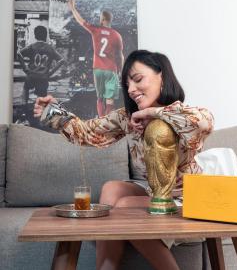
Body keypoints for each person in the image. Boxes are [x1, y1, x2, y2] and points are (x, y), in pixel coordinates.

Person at [34, 50, 214, 270]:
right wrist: (52, 111)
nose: (131, 90)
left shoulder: (182, 114)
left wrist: (153, 114)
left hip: (187, 197)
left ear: (162, 77)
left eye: (138, 80)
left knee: (125, 206)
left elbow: (205, 122)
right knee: (112, 189)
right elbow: (87, 133)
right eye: (127, 84)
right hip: (152, 193)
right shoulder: (127, 118)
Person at [68, 0, 124, 117]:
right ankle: (107, 122)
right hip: (111, 70)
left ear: (103, 19)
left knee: (99, 98)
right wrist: (120, 70)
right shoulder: (117, 35)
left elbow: (81, 21)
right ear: (110, 20)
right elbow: (120, 56)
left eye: (100, 18)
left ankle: (100, 119)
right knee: (110, 101)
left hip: (97, 69)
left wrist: (73, 9)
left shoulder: (95, 30)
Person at [18, 25, 65, 109]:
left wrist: (25, 68)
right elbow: (62, 60)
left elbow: (19, 54)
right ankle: (39, 113)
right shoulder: (50, 48)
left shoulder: (32, 46)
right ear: (46, 36)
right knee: (41, 97)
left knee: (26, 89)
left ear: (35, 35)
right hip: (43, 77)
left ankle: (24, 107)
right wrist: (51, 72)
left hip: (31, 75)